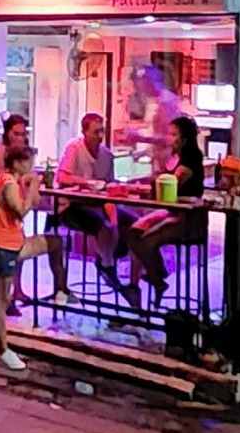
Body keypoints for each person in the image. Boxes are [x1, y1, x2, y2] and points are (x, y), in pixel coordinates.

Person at [0, 140, 69, 370]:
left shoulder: (15, 181)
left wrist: (31, 186)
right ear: (19, 162)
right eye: (29, 161)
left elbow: (35, 203)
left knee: (54, 243)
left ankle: (61, 290)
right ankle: (3, 350)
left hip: (15, 244)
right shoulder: (7, 184)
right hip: (3, 247)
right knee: (1, 300)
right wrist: (31, 188)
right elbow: (21, 211)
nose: (32, 165)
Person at [123, 112, 208, 300]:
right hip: (171, 212)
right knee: (133, 232)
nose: (170, 139)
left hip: (189, 218)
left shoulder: (192, 159)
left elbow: (172, 185)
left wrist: (153, 183)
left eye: (174, 135)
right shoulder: (173, 156)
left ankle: (157, 278)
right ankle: (156, 276)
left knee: (146, 241)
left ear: (185, 139)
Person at [56, 110, 121, 286]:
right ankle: (107, 265)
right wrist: (87, 183)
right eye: (95, 131)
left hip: (98, 203)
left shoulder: (107, 155)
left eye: (102, 131)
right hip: (72, 206)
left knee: (130, 222)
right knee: (102, 226)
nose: (100, 136)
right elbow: (62, 177)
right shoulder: (74, 148)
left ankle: (116, 263)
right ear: (84, 132)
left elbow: (109, 186)